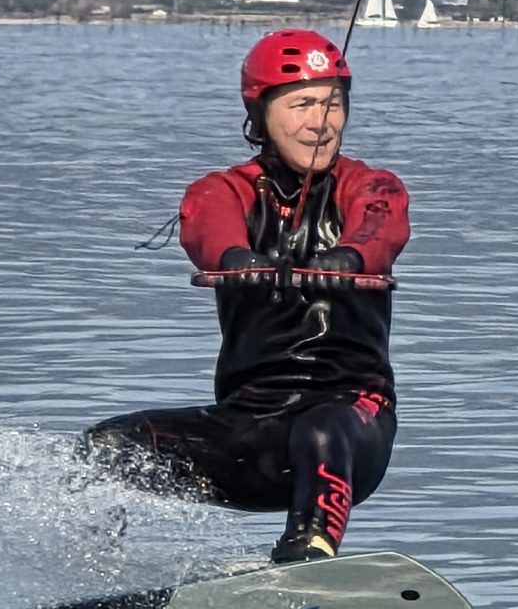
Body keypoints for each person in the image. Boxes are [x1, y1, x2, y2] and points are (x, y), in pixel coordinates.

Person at [81, 28, 409, 563]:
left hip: (353, 425)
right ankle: (85, 570)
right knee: (109, 445)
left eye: (332, 104)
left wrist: (348, 259)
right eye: (302, 105)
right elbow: (206, 226)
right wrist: (237, 259)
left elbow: (381, 227)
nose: (320, 122)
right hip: (249, 433)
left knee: (320, 429)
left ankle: (309, 557)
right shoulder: (223, 190)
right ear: (260, 116)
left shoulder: (371, 186)